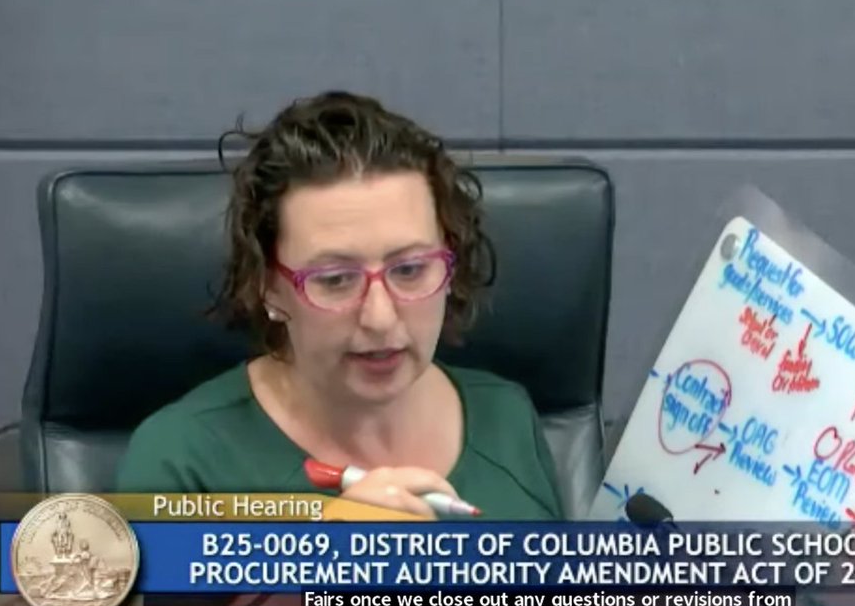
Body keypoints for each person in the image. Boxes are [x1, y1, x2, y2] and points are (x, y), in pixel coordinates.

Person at [116, 91, 563, 522]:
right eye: (334, 280)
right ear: (267, 286)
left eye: (409, 270)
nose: (380, 318)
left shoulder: (507, 416)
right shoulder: (182, 460)